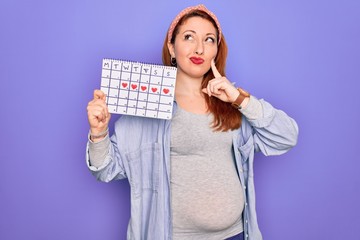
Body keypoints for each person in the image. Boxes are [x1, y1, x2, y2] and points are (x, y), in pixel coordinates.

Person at [86, 4, 298, 240]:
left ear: (216, 51)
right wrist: (99, 132)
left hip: (236, 234)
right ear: (172, 48)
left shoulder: (230, 102)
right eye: (189, 37)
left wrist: (240, 99)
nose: (199, 48)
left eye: (209, 40)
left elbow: (286, 137)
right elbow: (106, 169)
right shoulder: (147, 103)